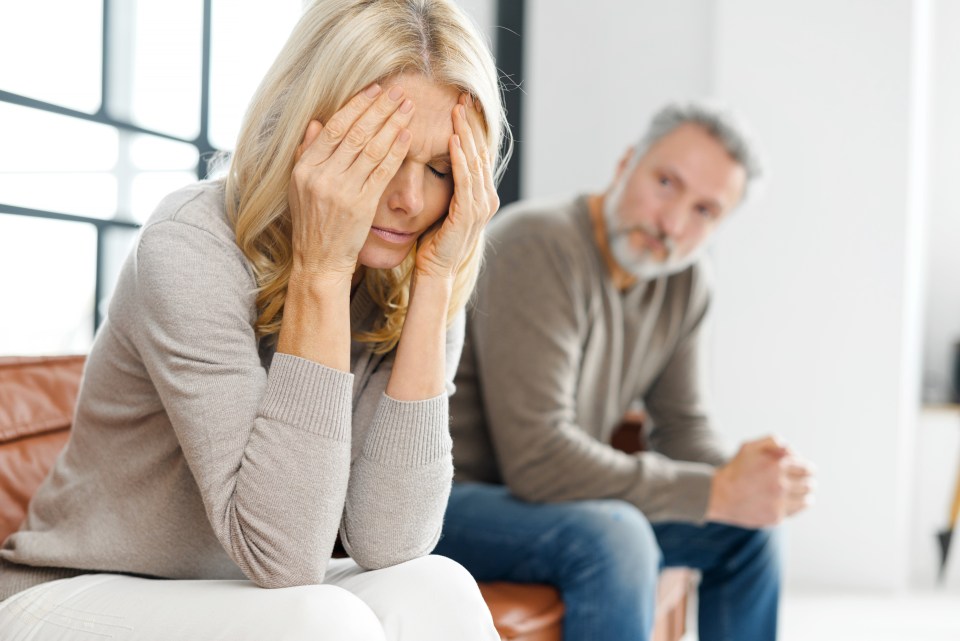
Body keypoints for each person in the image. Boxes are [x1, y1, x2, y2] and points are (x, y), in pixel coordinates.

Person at [0, 1, 507, 639]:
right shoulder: (190, 242)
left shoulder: (421, 265)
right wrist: (321, 271)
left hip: (246, 592)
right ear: (308, 130)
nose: (409, 200)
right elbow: (286, 554)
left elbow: (391, 540)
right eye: (377, 157)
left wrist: (436, 288)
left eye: (439, 170)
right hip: (77, 591)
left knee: (438, 585)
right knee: (320, 619)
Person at [433, 103, 816, 641]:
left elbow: (683, 427)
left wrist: (748, 479)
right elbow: (539, 461)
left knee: (749, 530)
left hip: (554, 502)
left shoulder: (683, 281)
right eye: (666, 182)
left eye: (705, 211)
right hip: (449, 501)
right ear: (624, 165)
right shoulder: (537, 244)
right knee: (618, 537)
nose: (673, 223)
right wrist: (713, 492)